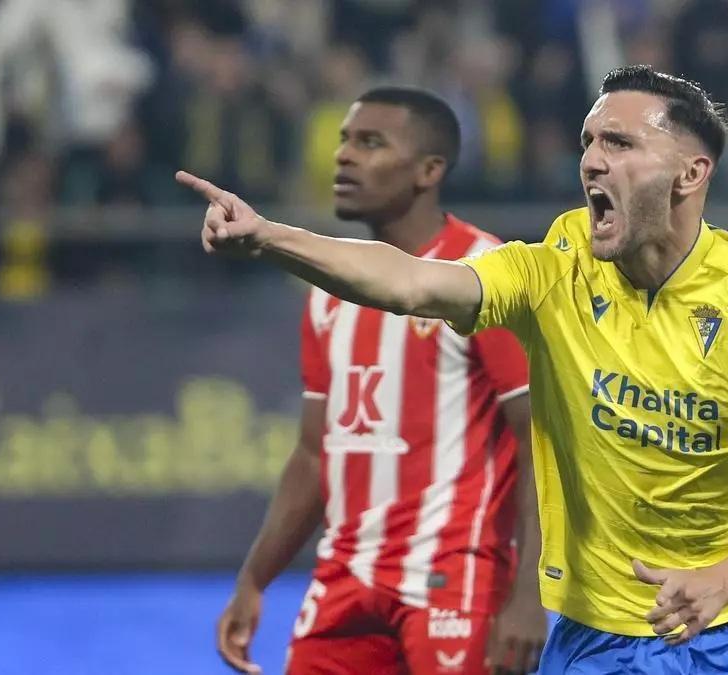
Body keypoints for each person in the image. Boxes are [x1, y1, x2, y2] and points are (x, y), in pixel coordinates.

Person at [183, 66, 728, 674]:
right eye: (589, 141)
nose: (591, 160)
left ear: (690, 174)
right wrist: (269, 236)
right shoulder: (554, 270)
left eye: (619, 144)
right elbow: (413, 282)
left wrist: (724, 579)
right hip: (600, 636)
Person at [211, 87, 547, 675]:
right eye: (344, 140)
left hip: (452, 577)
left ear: (429, 170)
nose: (343, 155)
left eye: (370, 143)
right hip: (345, 577)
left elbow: (540, 441)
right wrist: (254, 579)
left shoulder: (485, 276)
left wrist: (530, 593)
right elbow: (316, 454)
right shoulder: (326, 292)